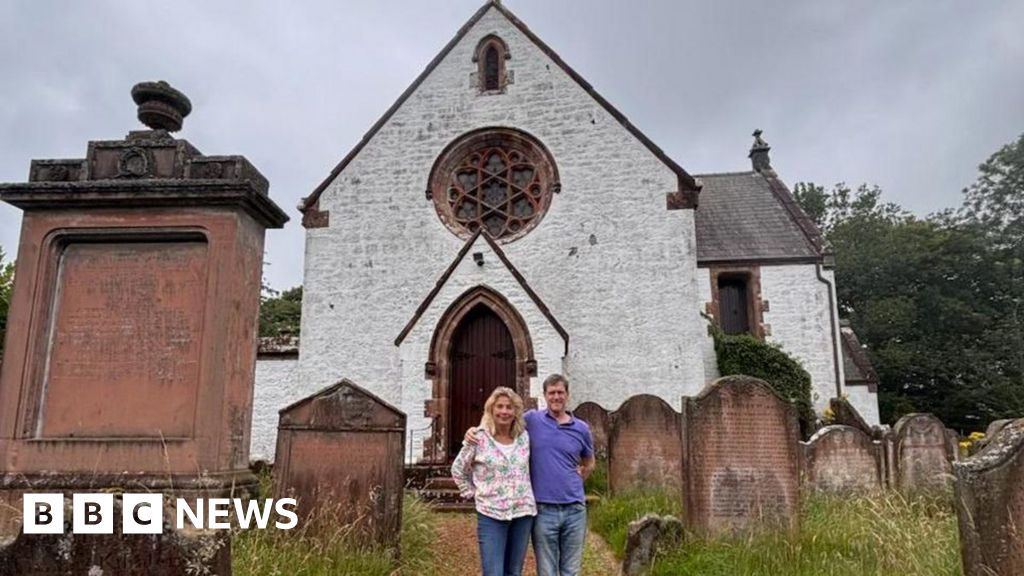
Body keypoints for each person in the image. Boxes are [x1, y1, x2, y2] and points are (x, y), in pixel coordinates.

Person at [466, 374, 595, 576]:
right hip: (543, 510)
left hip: (575, 510)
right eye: (552, 393)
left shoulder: (581, 428)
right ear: (544, 395)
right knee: (547, 571)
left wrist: (579, 478)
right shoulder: (532, 420)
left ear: (567, 395)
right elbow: (502, 419)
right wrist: (475, 431)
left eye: (560, 392)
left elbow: (589, 461)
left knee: (571, 570)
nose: (556, 397)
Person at [451, 386, 536, 576]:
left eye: (509, 407)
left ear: (515, 412)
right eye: (499, 407)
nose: (504, 412)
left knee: (514, 572)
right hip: (491, 514)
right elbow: (458, 469)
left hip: (522, 512)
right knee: (493, 572)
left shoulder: (523, 438)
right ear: (491, 410)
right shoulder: (479, 437)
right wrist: (472, 493)